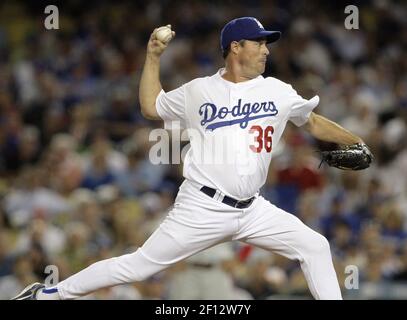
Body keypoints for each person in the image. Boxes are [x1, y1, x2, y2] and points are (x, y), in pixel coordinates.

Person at [13, 17, 369, 300]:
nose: (266, 50)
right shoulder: (200, 90)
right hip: (202, 206)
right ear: (235, 46)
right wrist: (152, 56)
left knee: (315, 246)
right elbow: (151, 106)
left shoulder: (277, 90)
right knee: (138, 267)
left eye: (266, 43)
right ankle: (48, 295)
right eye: (259, 42)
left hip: (253, 209)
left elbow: (314, 122)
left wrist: (355, 139)